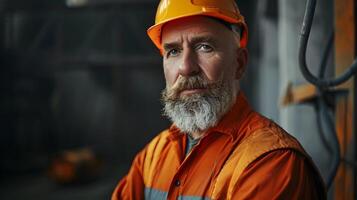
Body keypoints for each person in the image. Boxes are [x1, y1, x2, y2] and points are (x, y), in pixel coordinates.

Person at [112, 0, 326, 199]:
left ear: (239, 64)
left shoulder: (271, 162)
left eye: (205, 47)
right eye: (174, 51)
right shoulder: (153, 156)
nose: (186, 67)